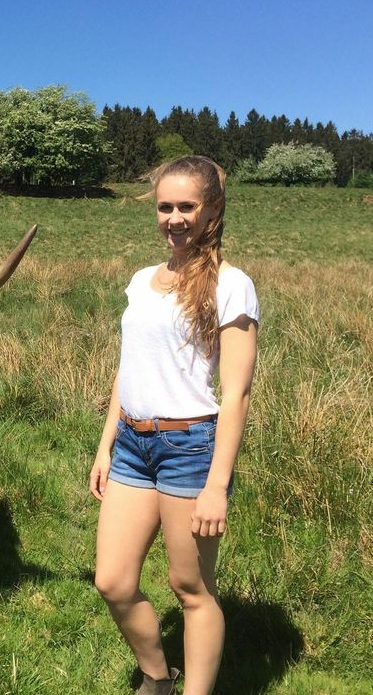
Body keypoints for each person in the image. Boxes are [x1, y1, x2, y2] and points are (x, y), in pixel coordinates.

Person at [88, 156, 259, 695]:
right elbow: (129, 368)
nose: (175, 217)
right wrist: (105, 444)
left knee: (190, 587)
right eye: (166, 206)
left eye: (187, 206)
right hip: (133, 446)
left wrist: (217, 486)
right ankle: (158, 678)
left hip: (190, 447)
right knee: (112, 582)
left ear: (212, 210)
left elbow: (236, 395)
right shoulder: (142, 280)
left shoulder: (233, 287)